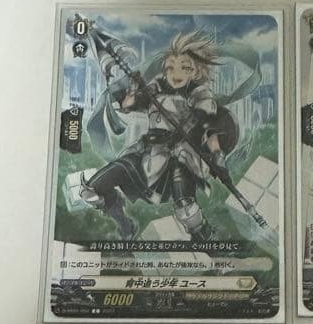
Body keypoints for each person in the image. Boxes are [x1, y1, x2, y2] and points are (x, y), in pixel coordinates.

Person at [78, 30, 230, 241]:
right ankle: (126, 227)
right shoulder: (155, 87)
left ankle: (207, 242)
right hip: (148, 154)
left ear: (196, 70)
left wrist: (218, 157)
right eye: (170, 67)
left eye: (184, 67)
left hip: (181, 157)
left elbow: (208, 128)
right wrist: (134, 90)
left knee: (186, 209)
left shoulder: (200, 93)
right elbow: (128, 105)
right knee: (91, 190)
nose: (176, 73)